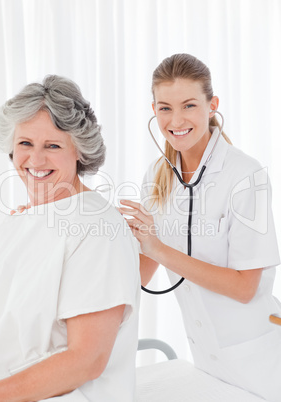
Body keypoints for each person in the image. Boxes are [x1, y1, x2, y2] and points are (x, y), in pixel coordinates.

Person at [119, 53, 281, 401]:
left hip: (261, 362)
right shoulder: (157, 175)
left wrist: (159, 248)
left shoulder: (244, 176)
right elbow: (142, 272)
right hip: (207, 361)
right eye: (164, 108)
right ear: (153, 109)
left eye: (188, 105)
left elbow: (244, 288)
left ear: (212, 105)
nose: (175, 120)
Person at [0, 75, 140, 401]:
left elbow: (86, 361)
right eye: (25, 143)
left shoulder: (96, 229)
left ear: (80, 149)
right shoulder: (19, 221)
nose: (35, 161)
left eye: (52, 145)